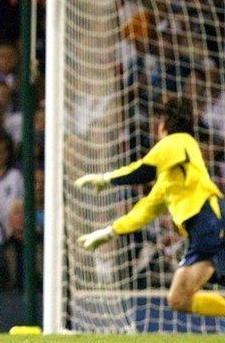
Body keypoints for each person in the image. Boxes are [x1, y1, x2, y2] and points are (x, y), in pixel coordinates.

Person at [77, 97, 225, 319]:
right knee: (178, 299)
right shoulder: (170, 178)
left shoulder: (178, 140)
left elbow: (143, 170)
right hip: (202, 232)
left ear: (163, 124)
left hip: (209, 221)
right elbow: (143, 211)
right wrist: (109, 232)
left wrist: (106, 178)